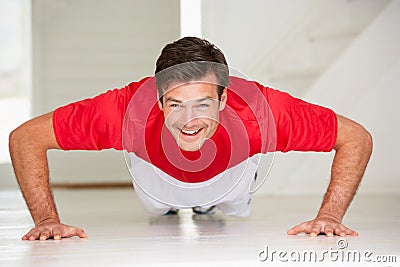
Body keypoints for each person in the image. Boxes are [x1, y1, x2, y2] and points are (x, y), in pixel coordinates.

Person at [9, 37, 373, 241]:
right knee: (157, 207)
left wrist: (329, 215)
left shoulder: (264, 111)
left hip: (230, 178)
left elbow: (356, 137)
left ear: (224, 98)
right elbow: (25, 137)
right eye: (175, 104)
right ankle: (175, 203)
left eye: (203, 104)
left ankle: (207, 204)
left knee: (232, 207)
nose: (189, 120)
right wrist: (45, 220)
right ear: (157, 98)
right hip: (157, 178)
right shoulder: (124, 111)